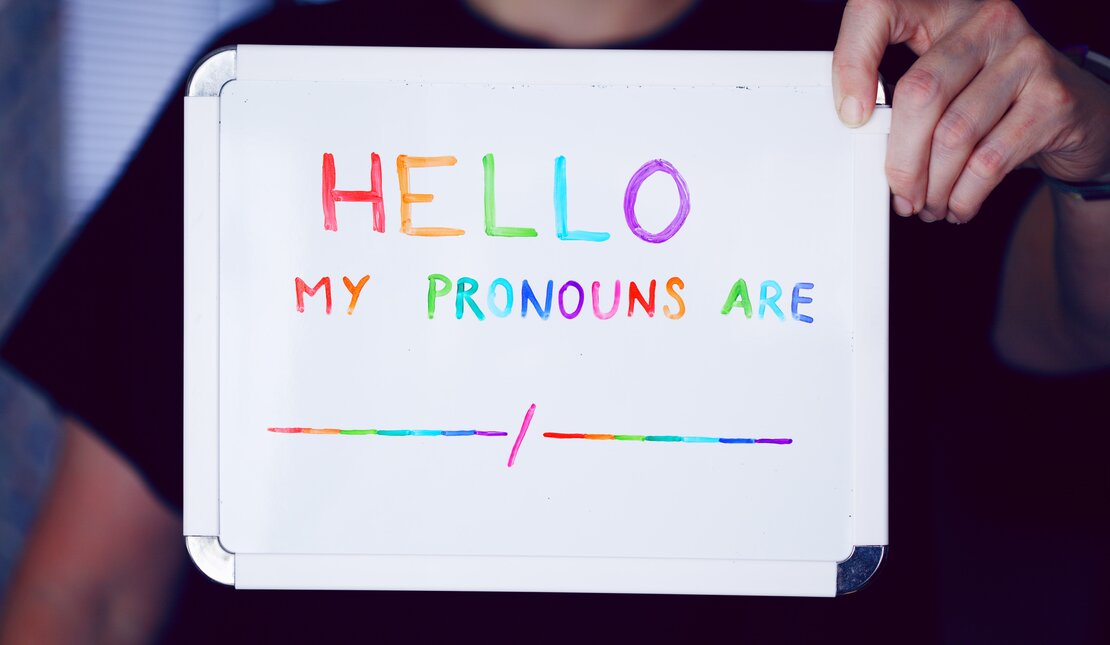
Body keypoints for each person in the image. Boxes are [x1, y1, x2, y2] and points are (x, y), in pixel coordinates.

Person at [1, 0, 1107, 642]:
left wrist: (1094, 150)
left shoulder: (888, 76)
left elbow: (1075, 325)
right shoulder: (270, 87)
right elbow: (85, 590)